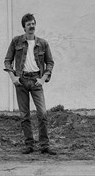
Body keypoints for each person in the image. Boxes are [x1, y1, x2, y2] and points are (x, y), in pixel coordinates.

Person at [4, 13, 56, 155]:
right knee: (24, 115)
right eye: (28, 24)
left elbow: (50, 62)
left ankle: (44, 146)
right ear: (24, 27)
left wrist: (43, 78)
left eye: (33, 23)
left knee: (42, 113)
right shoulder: (16, 42)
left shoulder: (43, 43)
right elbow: (7, 60)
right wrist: (13, 77)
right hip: (21, 81)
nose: (31, 26)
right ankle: (29, 145)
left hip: (36, 81)